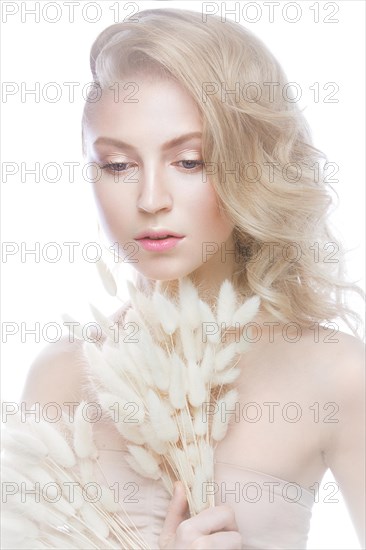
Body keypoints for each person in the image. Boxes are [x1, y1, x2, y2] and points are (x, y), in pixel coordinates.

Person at [17, 7, 364, 550]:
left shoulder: (336, 375)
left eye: (190, 161)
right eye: (117, 165)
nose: (151, 200)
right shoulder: (62, 375)